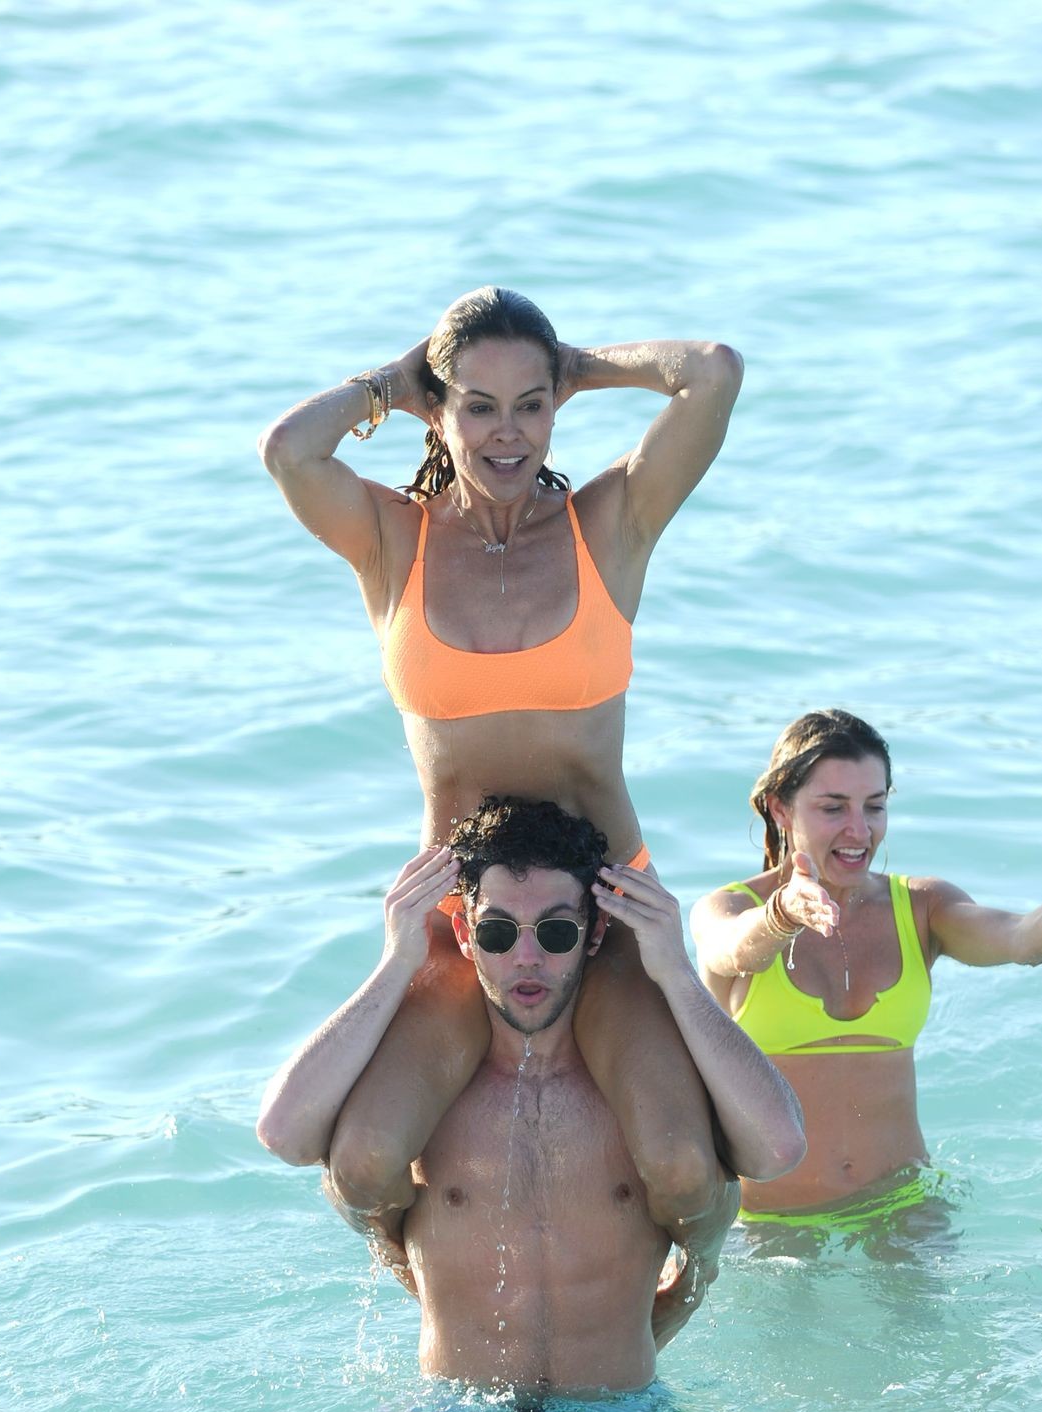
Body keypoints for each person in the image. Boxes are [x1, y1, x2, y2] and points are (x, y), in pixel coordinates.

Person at [258, 287, 745, 1276]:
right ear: (438, 411)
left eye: (531, 404)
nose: (508, 432)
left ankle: (681, 1292)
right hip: (459, 913)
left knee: (684, 1170)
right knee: (363, 1166)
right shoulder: (392, 540)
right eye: (478, 406)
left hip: (606, 904)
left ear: (556, 406)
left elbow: (712, 372)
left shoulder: (609, 524)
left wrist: (579, 366)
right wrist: (388, 384)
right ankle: (429, 1290)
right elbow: (289, 451)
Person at [257, 798, 806, 1395]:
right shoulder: (424, 1101)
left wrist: (675, 970)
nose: (527, 958)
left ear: (594, 934)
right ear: (464, 935)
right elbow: (283, 1131)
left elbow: (779, 1147)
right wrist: (397, 961)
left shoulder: (642, 1099)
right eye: (496, 932)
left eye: (556, 932)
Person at [691, 709, 1042, 1230]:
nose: (860, 830)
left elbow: (1019, 938)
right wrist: (783, 915)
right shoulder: (729, 908)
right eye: (833, 808)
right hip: (771, 1224)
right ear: (781, 808)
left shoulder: (921, 907)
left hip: (904, 1206)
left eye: (875, 806)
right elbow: (732, 950)